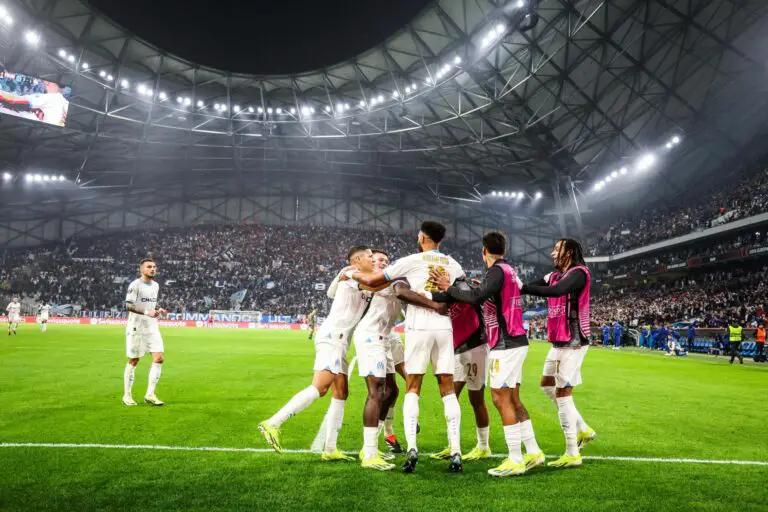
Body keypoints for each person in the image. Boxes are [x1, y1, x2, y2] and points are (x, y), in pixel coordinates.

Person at [345, 221, 465, 473]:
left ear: (422, 237)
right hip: (444, 327)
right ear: (440, 240)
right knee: (447, 389)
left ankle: (412, 448)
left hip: (419, 327)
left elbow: (375, 280)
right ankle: (456, 450)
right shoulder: (453, 264)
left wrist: (350, 273)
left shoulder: (411, 260)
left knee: (413, 386)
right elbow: (462, 290)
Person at [430, 231, 545, 477]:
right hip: (515, 341)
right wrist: (476, 287)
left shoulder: (496, 271)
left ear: (484, 251)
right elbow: (485, 293)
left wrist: (448, 288)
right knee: (513, 399)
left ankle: (515, 459)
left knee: (500, 398)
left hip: (505, 343)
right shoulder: (509, 271)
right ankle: (533, 451)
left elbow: (476, 297)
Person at [259, 246, 376, 460]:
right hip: (332, 338)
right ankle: (273, 423)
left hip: (341, 341)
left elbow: (331, 293)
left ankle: (330, 449)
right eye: (370, 257)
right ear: (357, 260)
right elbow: (373, 282)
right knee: (320, 387)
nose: (374, 260)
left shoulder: (354, 276)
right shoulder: (352, 273)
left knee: (341, 392)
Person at [351, 249, 446, 471]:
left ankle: (377, 442)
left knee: (392, 390)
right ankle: (369, 452)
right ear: (371, 263)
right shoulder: (373, 281)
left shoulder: (391, 279)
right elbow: (381, 287)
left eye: (386, 260)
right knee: (376, 391)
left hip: (386, 338)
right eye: (378, 260)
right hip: (370, 336)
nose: (383, 263)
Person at [521, 238, 597, 468]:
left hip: (574, 342)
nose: (553, 253)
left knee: (563, 392)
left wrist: (523, 287)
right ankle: (582, 428)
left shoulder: (579, 273)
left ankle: (572, 453)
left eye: (557, 249)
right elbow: (530, 285)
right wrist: (513, 285)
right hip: (558, 342)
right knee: (547, 385)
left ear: (569, 252)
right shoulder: (553, 275)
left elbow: (557, 291)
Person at [426, 276, 493, 466]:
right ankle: (452, 444)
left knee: (476, 398)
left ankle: (483, 446)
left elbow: (466, 297)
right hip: (457, 350)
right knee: (450, 396)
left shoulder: (463, 286)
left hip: (475, 346)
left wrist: (430, 294)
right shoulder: (446, 289)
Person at [123, 259, 168, 406]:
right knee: (134, 360)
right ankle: (127, 395)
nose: (153, 269)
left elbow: (149, 305)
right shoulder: (135, 285)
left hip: (152, 326)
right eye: (149, 267)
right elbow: (128, 305)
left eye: (154, 267)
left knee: (159, 358)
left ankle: (150, 394)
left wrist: (158, 310)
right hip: (136, 327)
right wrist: (148, 312)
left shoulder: (156, 285)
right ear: (141, 269)